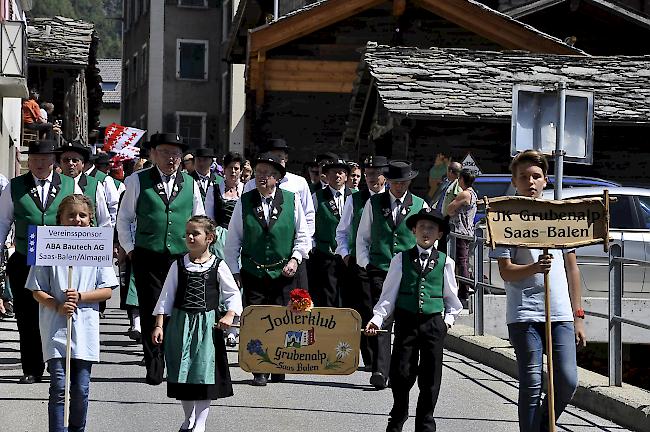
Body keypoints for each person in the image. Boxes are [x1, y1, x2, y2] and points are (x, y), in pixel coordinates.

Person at [489, 149, 586, 432]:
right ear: (515, 181)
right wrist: (534, 268)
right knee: (531, 381)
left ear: (546, 180)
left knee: (567, 380)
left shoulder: (559, 217)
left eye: (536, 176)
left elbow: (572, 269)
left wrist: (578, 315)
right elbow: (505, 272)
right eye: (524, 177)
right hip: (524, 313)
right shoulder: (506, 218)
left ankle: (542, 426)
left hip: (560, 313)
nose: (530, 182)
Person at [117, 132, 205, 384]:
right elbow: (124, 219)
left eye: (176, 153)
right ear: (153, 154)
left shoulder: (190, 183)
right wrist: (130, 248)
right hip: (148, 254)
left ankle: (175, 360)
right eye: (165, 152)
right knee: (150, 309)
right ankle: (154, 364)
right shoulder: (137, 180)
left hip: (180, 256)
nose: (171, 158)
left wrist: (197, 250)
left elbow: (198, 219)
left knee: (178, 309)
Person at [365, 207, 462, 432]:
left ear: (439, 234)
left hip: (432, 324)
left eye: (431, 228)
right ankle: (398, 415)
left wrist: (447, 322)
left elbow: (452, 298)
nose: (425, 232)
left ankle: (425, 422)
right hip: (407, 322)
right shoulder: (401, 259)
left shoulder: (445, 262)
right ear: (413, 231)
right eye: (421, 228)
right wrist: (377, 320)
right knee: (401, 373)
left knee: (430, 377)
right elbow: (388, 295)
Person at [26, 194, 117, 432]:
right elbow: (37, 288)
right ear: (60, 219)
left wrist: (81, 297)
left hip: (84, 326)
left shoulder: (98, 246)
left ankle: (77, 429)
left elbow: (107, 290)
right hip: (55, 325)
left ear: (90, 219)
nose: (77, 220)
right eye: (71, 215)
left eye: (82, 215)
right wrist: (56, 305)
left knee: (81, 388)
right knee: (58, 386)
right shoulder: (48, 245)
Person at [224, 153, 310, 387]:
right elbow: (233, 240)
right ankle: (259, 368)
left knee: (283, 319)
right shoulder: (245, 201)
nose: (262, 177)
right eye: (259, 172)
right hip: (254, 271)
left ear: (277, 179)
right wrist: (234, 271)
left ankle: (279, 363)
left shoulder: (292, 200)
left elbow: (303, 237)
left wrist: (295, 259)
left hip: (284, 273)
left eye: (268, 174)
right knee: (258, 321)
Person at [152, 216, 242, 432]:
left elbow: (232, 294)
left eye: (196, 233)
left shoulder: (218, 266)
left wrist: (230, 315)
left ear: (209, 238)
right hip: (181, 325)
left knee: (203, 374)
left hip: (207, 326)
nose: (190, 237)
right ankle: (188, 417)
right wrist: (159, 325)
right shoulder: (178, 265)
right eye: (188, 233)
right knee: (183, 373)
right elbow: (166, 296)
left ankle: (200, 423)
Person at [0, 140, 75, 384]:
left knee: (56, 313)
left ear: (53, 161)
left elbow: (80, 219)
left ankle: (57, 366)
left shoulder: (69, 184)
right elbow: (3, 222)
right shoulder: (15, 186)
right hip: (25, 258)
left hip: (58, 260)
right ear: (27, 162)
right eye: (34, 160)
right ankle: (32, 368)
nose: (40, 164)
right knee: (27, 316)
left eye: (44, 159)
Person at [356, 160, 428, 389]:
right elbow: (363, 237)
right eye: (396, 182)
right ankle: (380, 370)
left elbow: (427, 239)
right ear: (388, 181)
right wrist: (366, 264)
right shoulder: (374, 202)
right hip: (380, 269)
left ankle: (401, 369)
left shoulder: (420, 204)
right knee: (382, 318)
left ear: (409, 181)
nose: (400, 186)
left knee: (406, 322)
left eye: (404, 182)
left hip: (409, 271)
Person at [335, 155, 388, 369]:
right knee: (366, 309)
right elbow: (342, 232)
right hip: (361, 265)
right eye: (368, 174)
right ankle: (371, 358)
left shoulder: (393, 198)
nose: (370, 178)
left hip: (388, 264)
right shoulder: (355, 199)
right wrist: (346, 254)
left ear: (385, 176)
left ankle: (385, 359)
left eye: (375, 174)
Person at [310, 158, 352, 307]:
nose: (338, 176)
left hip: (349, 256)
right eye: (334, 172)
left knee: (347, 295)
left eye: (341, 172)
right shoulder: (317, 197)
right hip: (325, 255)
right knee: (327, 296)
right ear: (326, 176)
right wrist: (314, 246)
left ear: (346, 176)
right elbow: (310, 225)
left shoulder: (354, 196)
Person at [57, 141, 112, 228]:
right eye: (66, 160)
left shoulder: (94, 184)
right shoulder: (54, 185)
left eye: (75, 160)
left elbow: (104, 220)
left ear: (83, 164)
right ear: (60, 163)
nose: (70, 164)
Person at [446, 168, 478, 302]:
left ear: (462, 180)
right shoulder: (473, 193)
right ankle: (465, 288)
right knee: (462, 261)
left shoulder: (464, 194)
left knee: (461, 262)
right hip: (467, 231)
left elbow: (449, 209)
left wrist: (452, 211)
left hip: (461, 232)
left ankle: (464, 291)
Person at [206, 152, 244, 230]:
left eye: (236, 168)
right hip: (219, 237)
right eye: (230, 167)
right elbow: (209, 218)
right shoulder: (213, 190)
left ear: (241, 171)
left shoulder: (246, 190)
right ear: (224, 169)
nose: (233, 171)